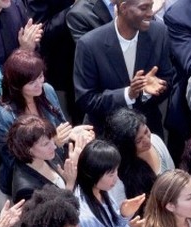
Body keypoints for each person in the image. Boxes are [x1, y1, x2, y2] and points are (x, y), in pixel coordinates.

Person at [73, 0, 176, 135]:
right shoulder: (89, 44)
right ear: (124, 8)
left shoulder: (159, 32)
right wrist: (128, 94)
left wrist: (146, 92)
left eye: (151, 6)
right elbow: (86, 99)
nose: (151, 13)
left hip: (147, 132)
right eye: (144, 8)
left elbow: (167, 79)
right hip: (106, 137)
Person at [0, 49, 85, 197]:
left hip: (55, 170)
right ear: (17, 85)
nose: (39, 84)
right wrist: (53, 141)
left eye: (41, 76)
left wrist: (73, 134)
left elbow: (61, 125)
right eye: (31, 82)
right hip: (27, 184)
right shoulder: (4, 115)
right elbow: (12, 162)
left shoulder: (47, 91)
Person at [76, 140, 145, 227]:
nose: (116, 178)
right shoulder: (85, 217)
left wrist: (123, 215)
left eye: (116, 171)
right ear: (93, 174)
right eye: (111, 174)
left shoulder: (101, 189)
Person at [102, 109, 172, 202]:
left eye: (146, 131)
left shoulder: (156, 141)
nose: (147, 140)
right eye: (138, 140)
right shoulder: (117, 176)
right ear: (126, 146)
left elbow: (173, 173)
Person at [7, 114, 77, 203]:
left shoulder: (47, 155)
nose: (54, 146)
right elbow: (56, 215)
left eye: (52, 139)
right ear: (28, 150)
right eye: (45, 144)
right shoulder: (25, 191)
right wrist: (70, 184)